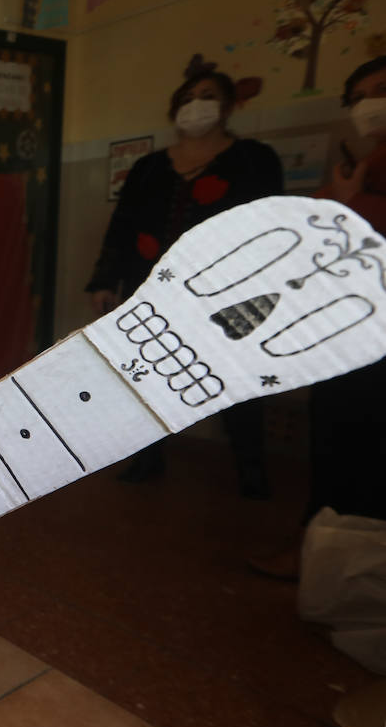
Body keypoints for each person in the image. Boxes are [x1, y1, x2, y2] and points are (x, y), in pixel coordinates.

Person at [85, 64, 284, 495]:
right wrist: (104, 281)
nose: (197, 105)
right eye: (188, 97)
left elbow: (269, 225)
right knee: (145, 374)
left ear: (228, 106)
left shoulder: (254, 160)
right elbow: (121, 226)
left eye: (209, 95)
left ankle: (250, 469)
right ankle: (146, 457)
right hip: (150, 288)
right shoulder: (150, 168)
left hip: (229, 291)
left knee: (237, 379)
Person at [250, 56, 386, 580]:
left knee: (353, 443)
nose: (371, 103)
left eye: (383, 89)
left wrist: (352, 200)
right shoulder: (366, 163)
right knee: (340, 439)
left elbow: (352, 234)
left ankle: (333, 560)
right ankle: (326, 553)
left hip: (371, 335)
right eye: (361, 95)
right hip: (353, 331)